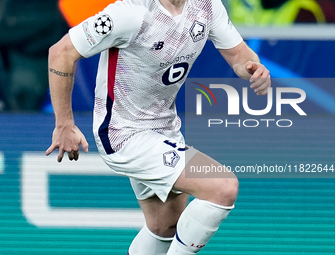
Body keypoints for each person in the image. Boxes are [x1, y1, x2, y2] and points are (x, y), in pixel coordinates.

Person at [46, 0, 271, 254]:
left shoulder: (207, 6)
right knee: (223, 187)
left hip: (165, 130)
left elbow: (239, 56)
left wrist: (254, 68)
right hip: (122, 134)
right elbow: (61, 52)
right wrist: (64, 124)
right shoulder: (130, 13)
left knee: (165, 227)